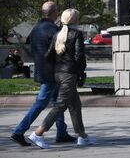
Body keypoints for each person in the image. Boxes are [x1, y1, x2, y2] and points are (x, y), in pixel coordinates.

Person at [10, 2, 75, 147]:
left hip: (42, 70)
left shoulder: (36, 29)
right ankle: (18, 132)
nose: (58, 13)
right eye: (58, 10)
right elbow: (60, 51)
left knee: (59, 103)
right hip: (52, 73)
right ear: (53, 12)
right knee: (41, 103)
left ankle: (61, 133)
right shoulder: (53, 29)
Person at [28, 8, 95, 149]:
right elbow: (79, 57)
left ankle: (82, 136)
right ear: (75, 20)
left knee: (75, 105)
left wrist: (59, 65)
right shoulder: (76, 34)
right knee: (61, 105)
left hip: (58, 74)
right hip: (69, 75)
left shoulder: (57, 34)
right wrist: (79, 70)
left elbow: (48, 55)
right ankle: (38, 133)